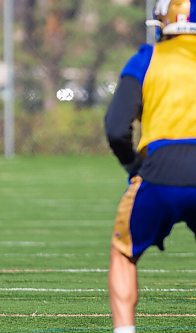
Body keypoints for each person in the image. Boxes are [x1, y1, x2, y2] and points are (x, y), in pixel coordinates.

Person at [104, 1, 196, 332]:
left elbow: (116, 128)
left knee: (124, 252)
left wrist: (133, 165)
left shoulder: (147, 57)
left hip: (161, 169)